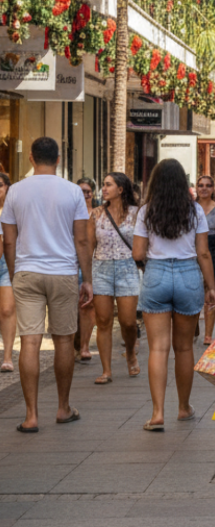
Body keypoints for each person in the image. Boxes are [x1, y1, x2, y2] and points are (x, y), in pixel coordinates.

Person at [2, 137, 93, 432]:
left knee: (30, 340)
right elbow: (81, 239)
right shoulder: (72, 191)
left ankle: (30, 415)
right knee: (64, 339)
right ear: (58, 159)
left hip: (27, 270)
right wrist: (87, 278)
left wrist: (16, 272)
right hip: (63, 272)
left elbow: (9, 240)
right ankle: (63, 407)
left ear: (31, 158)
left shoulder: (15, 191)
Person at [132, 159, 215, 431]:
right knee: (183, 348)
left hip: (156, 273)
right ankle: (184, 407)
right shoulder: (195, 211)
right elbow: (204, 252)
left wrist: (154, 258)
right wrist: (212, 287)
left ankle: (157, 413)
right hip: (188, 275)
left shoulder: (146, 211)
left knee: (157, 347)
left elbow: (137, 253)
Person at [87, 172, 140, 383]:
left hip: (127, 267)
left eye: (109, 185)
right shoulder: (97, 214)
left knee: (127, 322)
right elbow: (90, 245)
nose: (104, 189)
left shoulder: (137, 214)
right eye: (103, 185)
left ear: (121, 189)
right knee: (103, 321)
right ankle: (106, 370)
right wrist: (86, 276)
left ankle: (130, 353)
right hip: (101, 268)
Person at [196, 175, 215, 345]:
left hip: (214, 252)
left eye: (208, 185)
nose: (204, 188)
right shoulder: (190, 208)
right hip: (193, 252)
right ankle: (194, 327)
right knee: (194, 292)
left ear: (213, 189)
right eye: (201, 185)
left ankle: (208, 334)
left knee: (210, 291)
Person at [75, 178, 99, 363]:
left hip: (93, 263)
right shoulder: (71, 212)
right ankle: (76, 343)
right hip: (73, 262)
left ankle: (84, 346)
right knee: (74, 306)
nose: (86, 194)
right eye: (82, 191)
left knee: (87, 305)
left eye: (88, 191)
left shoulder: (97, 214)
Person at [0, 173, 16, 373]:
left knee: (7, 309)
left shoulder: (12, 211)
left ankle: (7, 356)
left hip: (8, 263)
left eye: (0, 185)